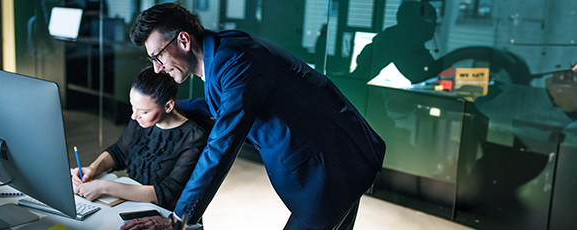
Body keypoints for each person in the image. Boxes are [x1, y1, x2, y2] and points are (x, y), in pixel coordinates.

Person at [123, 3, 385, 230]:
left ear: (183, 40)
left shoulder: (236, 60)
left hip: (330, 168)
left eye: (158, 56)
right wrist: (172, 107)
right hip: (333, 160)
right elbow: (223, 105)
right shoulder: (221, 52)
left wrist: (179, 218)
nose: (157, 68)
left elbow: (221, 146)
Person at [72, 67, 207, 211]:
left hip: (162, 215)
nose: (134, 116)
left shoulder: (193, 137)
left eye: (143, 111)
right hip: (132, 204)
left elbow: (167, 192)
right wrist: (92, 168)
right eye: (133, 107)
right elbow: (118, 152)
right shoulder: (141, 120)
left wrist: (104, 187)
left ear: (168, 106)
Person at [351, 1, 440, 83]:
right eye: (429, 22)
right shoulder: (395, 42)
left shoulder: (396, 38)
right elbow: (417, 77)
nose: (434, 28)